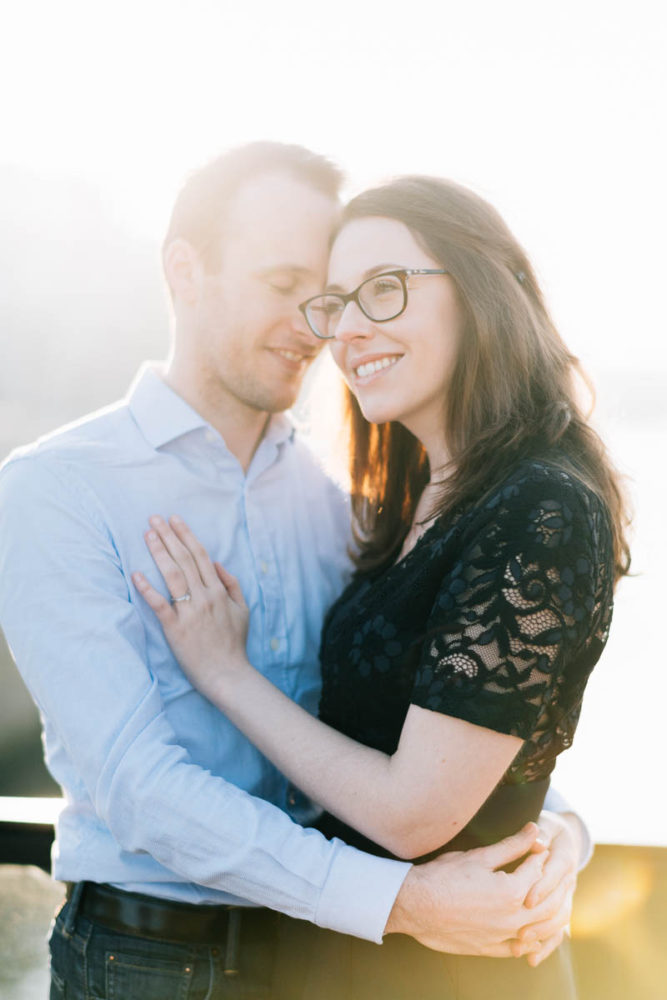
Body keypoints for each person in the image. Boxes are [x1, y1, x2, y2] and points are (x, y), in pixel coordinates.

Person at [0, 145, 585, 1000]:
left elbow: (416, 716)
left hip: (324, 959)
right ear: (184, 271)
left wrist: (560, 829)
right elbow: (138, 788)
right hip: (148, 961)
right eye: (283, 287)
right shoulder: (56, 488)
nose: (317, 328)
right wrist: (402, 902)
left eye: (327, 298)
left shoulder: (340, 500)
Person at [132, 172, 630, 999]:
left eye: (384, 291)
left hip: (451, 973)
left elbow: (415, 812)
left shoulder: (539, 505)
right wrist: (564, 828)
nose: (348, 331)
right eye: (335, 304)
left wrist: (224, 673)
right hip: (358, 953)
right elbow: (478, 741)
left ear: (482, 290)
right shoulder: (418, 496)